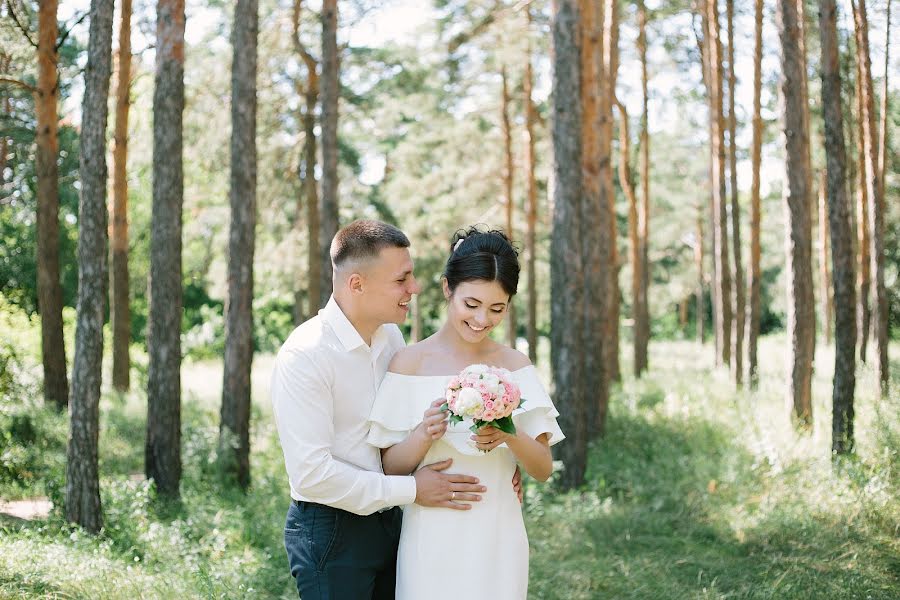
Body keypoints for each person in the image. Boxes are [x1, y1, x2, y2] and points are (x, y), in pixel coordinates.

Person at [270, 219, 492, 599]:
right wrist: (410, 489)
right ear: (357, 284)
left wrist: (494, 462)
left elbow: (407, 428)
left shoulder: (390, 337)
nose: (415, 288)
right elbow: (312, 475)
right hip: (332, 529)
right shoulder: (306, 355)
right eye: (402, 279)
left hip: (391, 520)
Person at [368, 227, 565, 600]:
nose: (481, 319)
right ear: (447, 288)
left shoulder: (515, 366)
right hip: (430, 533)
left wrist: (509, 434)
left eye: (497, 309)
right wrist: (423, 434)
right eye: (471, 304)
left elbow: (542, 468)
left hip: (497, 532)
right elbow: (387, 468)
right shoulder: (408, 363)